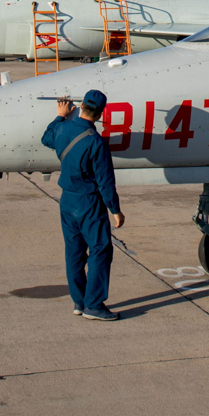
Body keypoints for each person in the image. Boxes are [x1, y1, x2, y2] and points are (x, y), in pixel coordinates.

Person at [41, 89, 125, 321]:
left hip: (67, 200)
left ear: (80, 106)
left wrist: (60, 115)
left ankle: (79, 301)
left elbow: (46, 138)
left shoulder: (62, 128)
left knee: (74, 253)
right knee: (100, 250)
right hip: (88, 202)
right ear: (100, 113)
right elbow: (106, 182)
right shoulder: (95, 142)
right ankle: (94, 305)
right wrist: (115, 210)